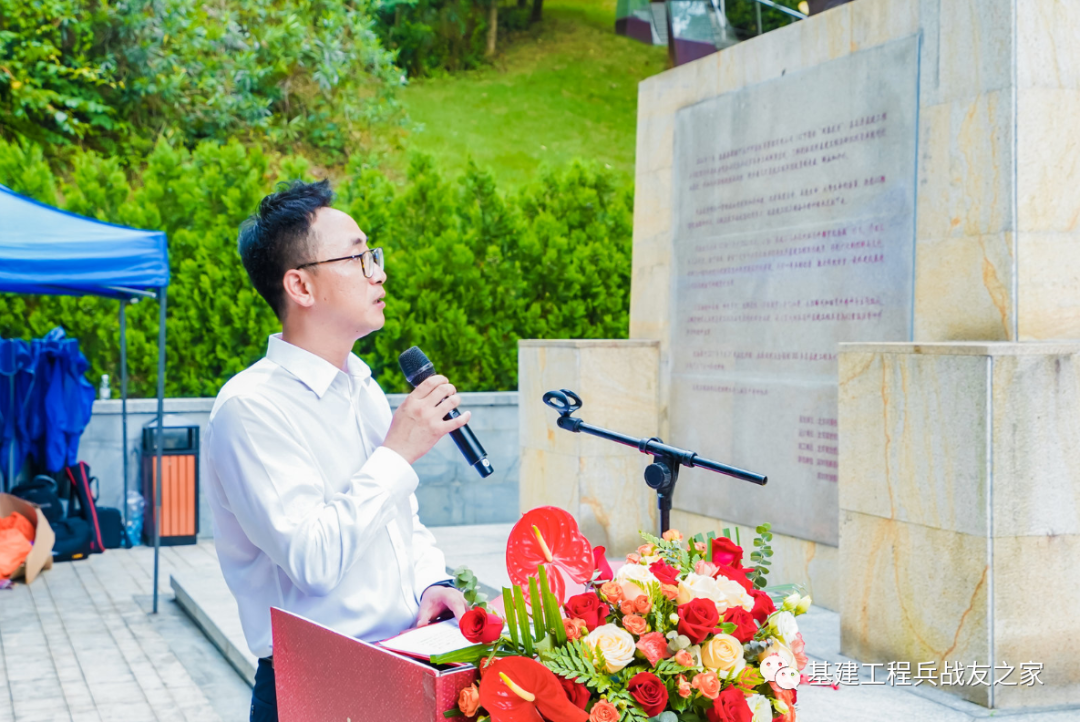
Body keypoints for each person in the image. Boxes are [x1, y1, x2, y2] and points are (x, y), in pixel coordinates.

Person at [204, 179, 470, 722]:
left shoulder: (361, 383)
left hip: (404, 660)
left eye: (373, 254)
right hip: (316, 686)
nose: (379, 272)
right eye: (357, 257)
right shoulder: (250, 409)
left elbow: (402, 515)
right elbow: (315, 561)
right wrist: (397, 453)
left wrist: (431, 580)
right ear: (300, 286)